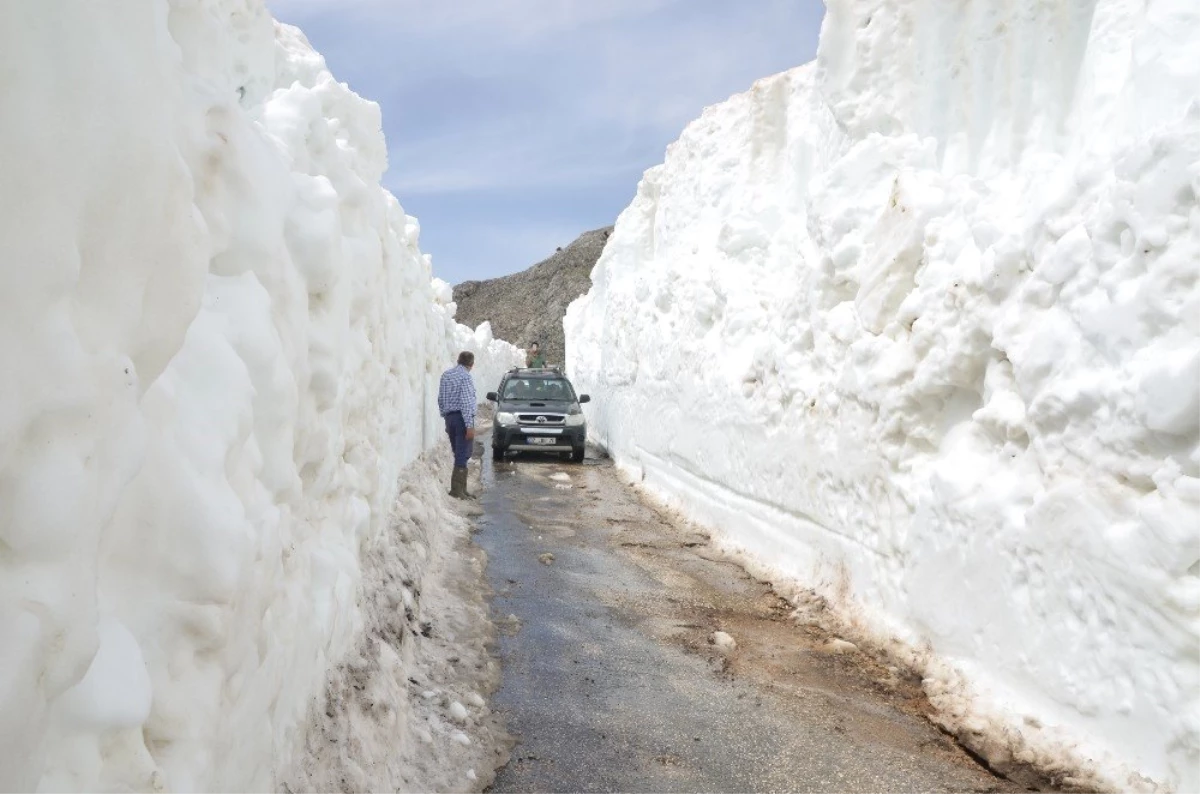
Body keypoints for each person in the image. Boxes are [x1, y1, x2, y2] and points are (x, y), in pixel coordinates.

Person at [438, 351, 477, 498]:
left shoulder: (446, 375)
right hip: (462, 419)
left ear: (458, 360)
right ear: (471, 365)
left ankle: (462, 489)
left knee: (458, 452)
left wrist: (446, 417)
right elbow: (466, 403)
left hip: (450, 418)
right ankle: (457, 491)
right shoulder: (465, 377)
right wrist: (470, 425)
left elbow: (440, 399)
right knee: (463, 453)